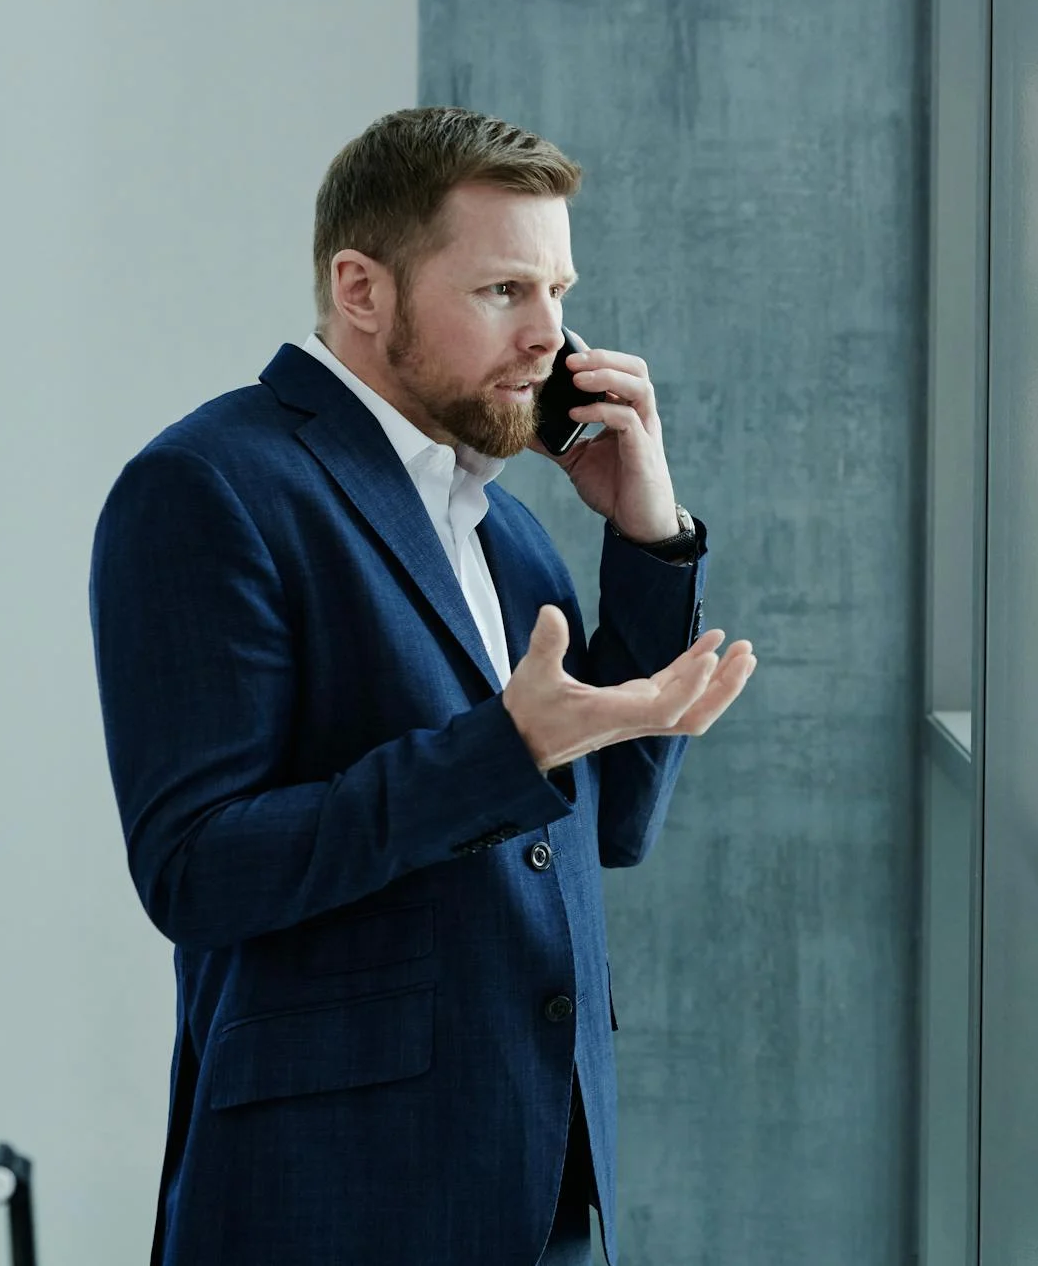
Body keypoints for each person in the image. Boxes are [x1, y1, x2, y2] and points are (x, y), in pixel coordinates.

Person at [88, 106, 756, 1265]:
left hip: (548, 1182)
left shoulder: (503, 533)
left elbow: (617, 824)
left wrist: (648, 538)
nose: (552, 335)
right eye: (505, 291)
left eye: (559, 290)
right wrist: (503, 750)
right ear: (363, 290)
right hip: (338, 1200)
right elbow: (195, 868)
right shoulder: (205, 488)